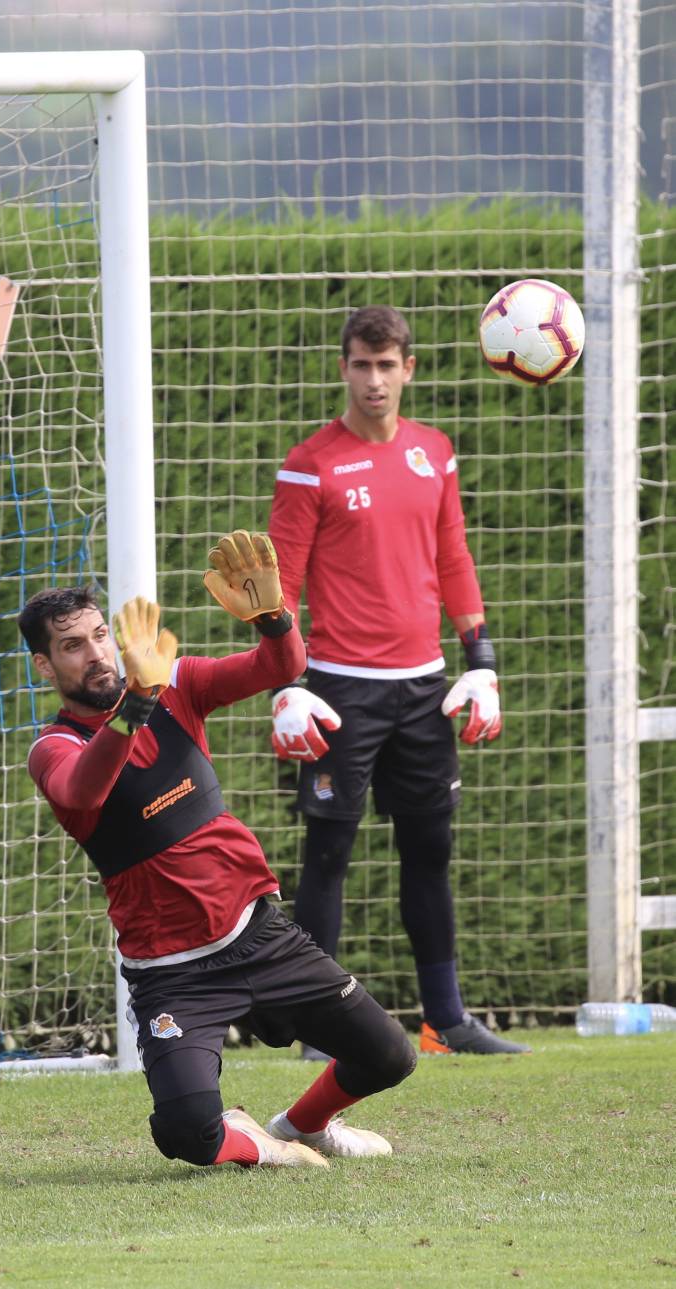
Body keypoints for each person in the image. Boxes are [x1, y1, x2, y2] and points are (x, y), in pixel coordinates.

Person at [18, 531, 416, 1171]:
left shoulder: (172, 687)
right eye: (71, 646)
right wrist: (134, 706)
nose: (94, 654)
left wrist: (274, 618)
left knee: (389, 1056)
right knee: (186, 1134)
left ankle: (305, 1124)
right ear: (45, 666)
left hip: (258, 935)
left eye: (98, 636)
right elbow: (83, 789)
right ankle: (258, 1143)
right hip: (172, 972)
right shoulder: (54, 747)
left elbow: (279, 668)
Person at [267, 305, 530, 1058]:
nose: (374, 379)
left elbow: (454, 559)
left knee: (431, 849)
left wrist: (482, 663)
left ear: (408, 368)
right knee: (328, 853)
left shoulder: (434, 453)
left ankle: (446, 1019)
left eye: (387, 365)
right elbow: (281, 584)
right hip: (339, 689)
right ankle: (321, 1026)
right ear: (343, 367)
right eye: (361, 363)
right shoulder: (310, 462)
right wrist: (287, 681)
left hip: (425, 689)